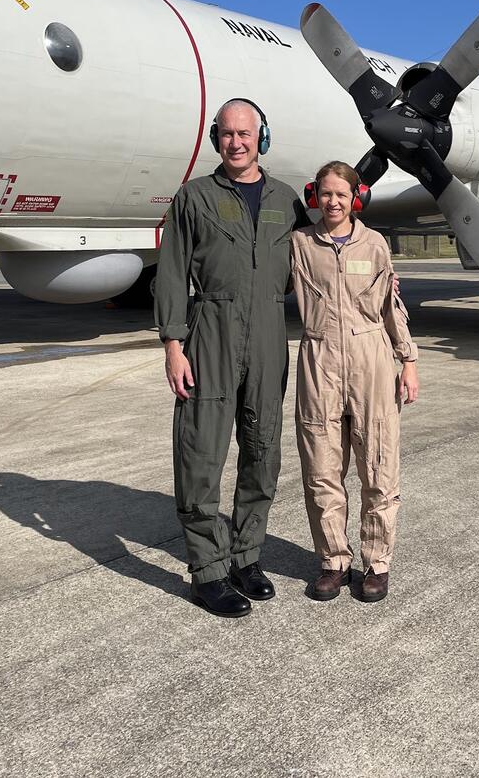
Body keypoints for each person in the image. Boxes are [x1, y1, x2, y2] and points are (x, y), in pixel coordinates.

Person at [154, 98, 310, 618]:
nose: (235, 143)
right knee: (201, 454)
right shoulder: (193, 198)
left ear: (261, 136)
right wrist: (174, 346)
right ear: (216, 138)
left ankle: (246, 556)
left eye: (244, 133)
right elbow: (173, 274)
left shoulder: (288, 200)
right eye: (226, 134)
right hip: (211, 332)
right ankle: (208, 572)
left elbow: (321, 258)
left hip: (268, 331)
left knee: (263, 452)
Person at [291, 161, 419, 603]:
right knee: (322, 468)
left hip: (372, 362)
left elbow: (391, 305)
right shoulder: (300, 245)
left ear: (355, 198)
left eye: (341, 194)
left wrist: (409, 360)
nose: (333, 202)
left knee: (378, 467)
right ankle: (333, 562)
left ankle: (377, 564)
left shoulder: (375, 244)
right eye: (325, 194)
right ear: (315, 196)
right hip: (319, 359)